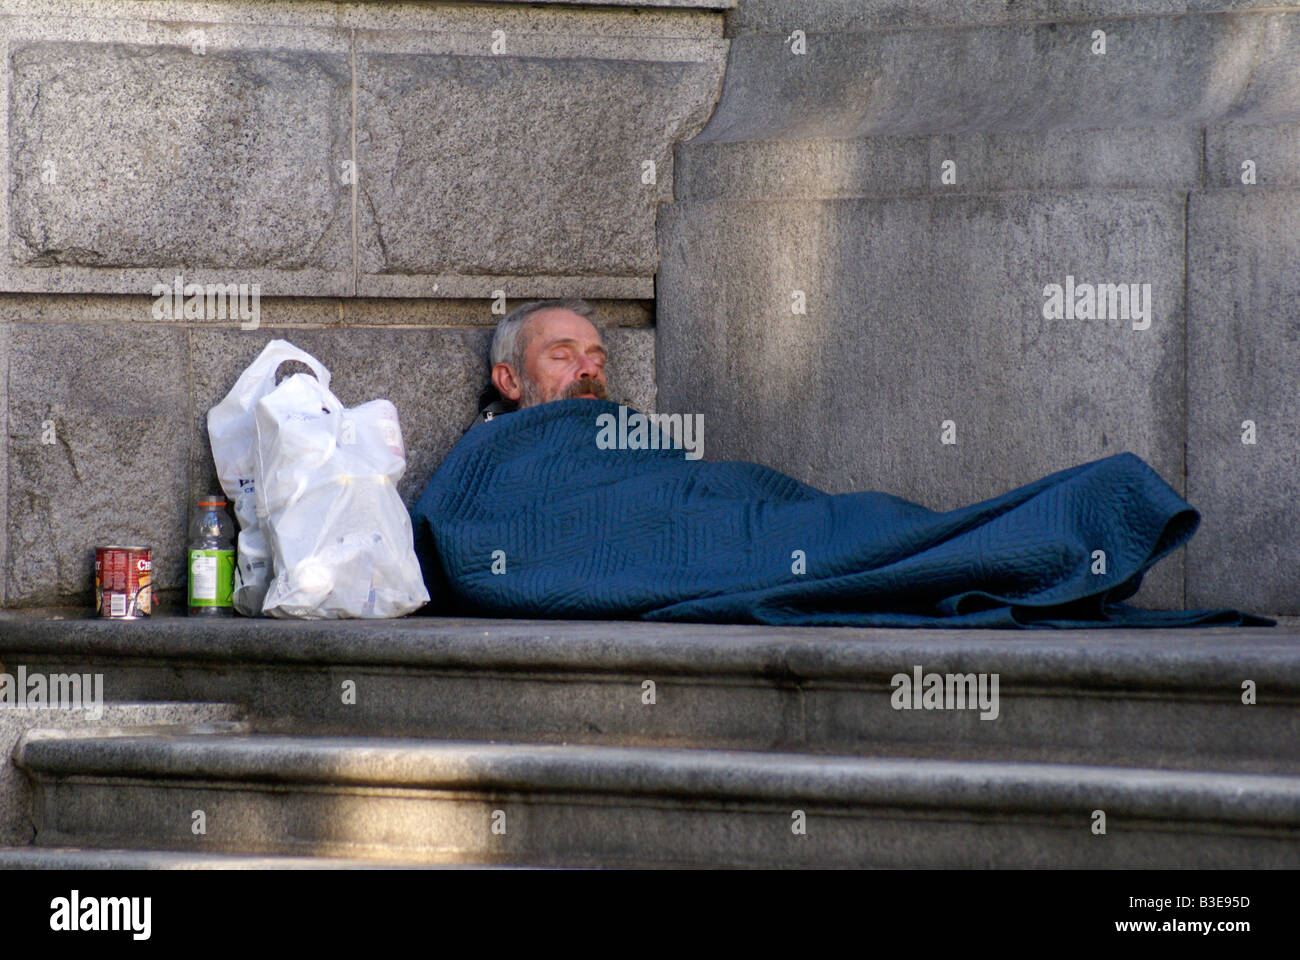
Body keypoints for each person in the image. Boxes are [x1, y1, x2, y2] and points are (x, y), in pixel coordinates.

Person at [469, 298, 610, 431]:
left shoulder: (624, 443)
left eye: (598, 361)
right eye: (560, 356)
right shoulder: (485, 454)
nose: (591, 368)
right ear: (509, 381)